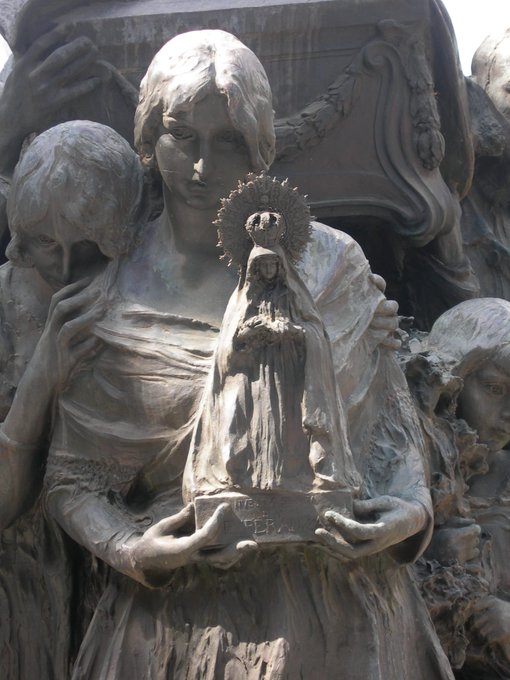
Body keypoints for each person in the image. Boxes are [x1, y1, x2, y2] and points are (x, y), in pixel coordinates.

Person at [43, 30, 453, 679]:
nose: (202, 166)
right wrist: (127, 547)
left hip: (339, 612)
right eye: (182, 136)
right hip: (180, 620)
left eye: (229, 141)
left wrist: (409, 509)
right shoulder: (109, 297)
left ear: (260, 148)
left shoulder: (333, 265)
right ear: (148, 138)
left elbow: (390, 425)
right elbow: (72, 477)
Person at [0, 120, 146, 679]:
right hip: (24, 591)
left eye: (86, 246)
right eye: (45, 243)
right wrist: (41, 379)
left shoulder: (147, 296)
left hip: (122, 578)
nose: (63, 267)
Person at [428, 298, 510, 679]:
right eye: (495, 389)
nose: (508, 413)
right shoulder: (412, 472)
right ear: (453, 381)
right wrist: (432, 555)